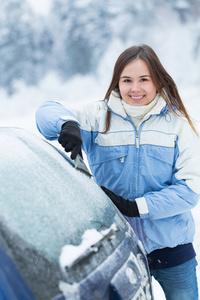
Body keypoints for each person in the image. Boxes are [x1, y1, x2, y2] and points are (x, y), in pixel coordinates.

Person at [35, 44, 200, 299]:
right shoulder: (98, 117)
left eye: (144, 79)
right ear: (117, 82)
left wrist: (134, 207)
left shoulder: (179, 124)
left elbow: (190, 190)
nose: (135, 88)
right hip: (118, 250)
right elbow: (46, 111)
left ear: (158, 80)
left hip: (173, 250)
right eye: (127, 80)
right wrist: (66, 124)